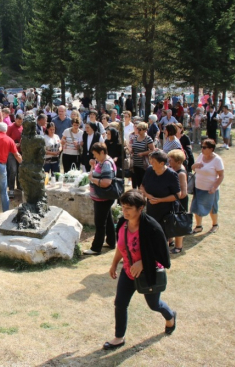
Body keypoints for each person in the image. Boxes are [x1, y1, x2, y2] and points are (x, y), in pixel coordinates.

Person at [104, 189, 175, 350]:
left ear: (140, 208)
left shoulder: (152, 227)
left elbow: (162, 255)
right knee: (120, 303)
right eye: (123, 207)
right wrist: (114, 263)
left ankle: (170, 316)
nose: (125, 211)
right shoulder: (122, 223)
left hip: (148, 273)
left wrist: (143, 262)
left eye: (129, 208)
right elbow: (121, 246)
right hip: (128, 272)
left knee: (154, 305)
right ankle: (119, 337)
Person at [83, 142, 117, 255]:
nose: (95, 157)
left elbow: (106, 182)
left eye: (96, 154)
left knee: (100, 223)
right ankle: (112, 241)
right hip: (101, 198)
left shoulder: (106, 163)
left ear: (102, 152)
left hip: (103, 199)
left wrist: (92, 180)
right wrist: (93, 165)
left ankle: (96, 247)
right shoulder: (102, 161)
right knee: (108, 220)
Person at [140, 150, 181, 229]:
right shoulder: (149, 170)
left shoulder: (171, 175)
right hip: (151, 209)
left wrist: (160, 200)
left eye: (153, 161)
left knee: (163, 233)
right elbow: (142, 186)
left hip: (166, 211)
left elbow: (177, 195)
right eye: (150, 160)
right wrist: (147, 195)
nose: (151, 163)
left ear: (162, 163)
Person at [191, 139, 224, 234]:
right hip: (198, 187)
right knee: (197, 207)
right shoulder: (201, 156)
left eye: (204, 147)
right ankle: (198, 226)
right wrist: (195, 165)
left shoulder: (217, 160)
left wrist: (214, 187)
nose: (202, 149)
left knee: (212, 208)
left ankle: (215, 224)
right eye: (202, 146)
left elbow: (221, 175)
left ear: (211, 149)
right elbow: (193, 168)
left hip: (210, 189)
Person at [130, 122, 155, 189]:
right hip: (135, 164)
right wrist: (131, 150)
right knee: (135, 182)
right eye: (137, 129)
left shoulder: (148, 139)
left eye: (140, 129)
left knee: (142, 184)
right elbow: (133, 147)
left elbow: (152, 150)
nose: (138, 131)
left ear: (144, 130)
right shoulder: (135, 138)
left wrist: (143, 153)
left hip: (143, 165)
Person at [6, 113, 24, 198]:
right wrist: (13, 144)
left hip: (20, 151)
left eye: (21, 122)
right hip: (11, 152)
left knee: (20, 169)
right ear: (15, 119)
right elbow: (6, 138)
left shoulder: (22, 127)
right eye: (18, 121)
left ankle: (19, 186)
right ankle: (11, 189)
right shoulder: (10, 127)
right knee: (13, 170)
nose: (19, 123)